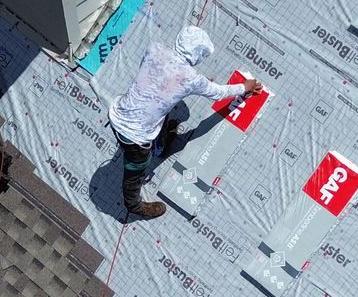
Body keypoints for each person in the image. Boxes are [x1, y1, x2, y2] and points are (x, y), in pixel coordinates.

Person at [108, 26, 257, 219]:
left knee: (162, 112)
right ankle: (134, 205)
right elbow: (219, 93)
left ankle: (160, 146)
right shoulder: (191, 78)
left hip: (118, 113)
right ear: (198, 53)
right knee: (135, 172)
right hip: (136, 138)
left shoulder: (154, 48)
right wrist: (245, 87)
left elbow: (153, 81)